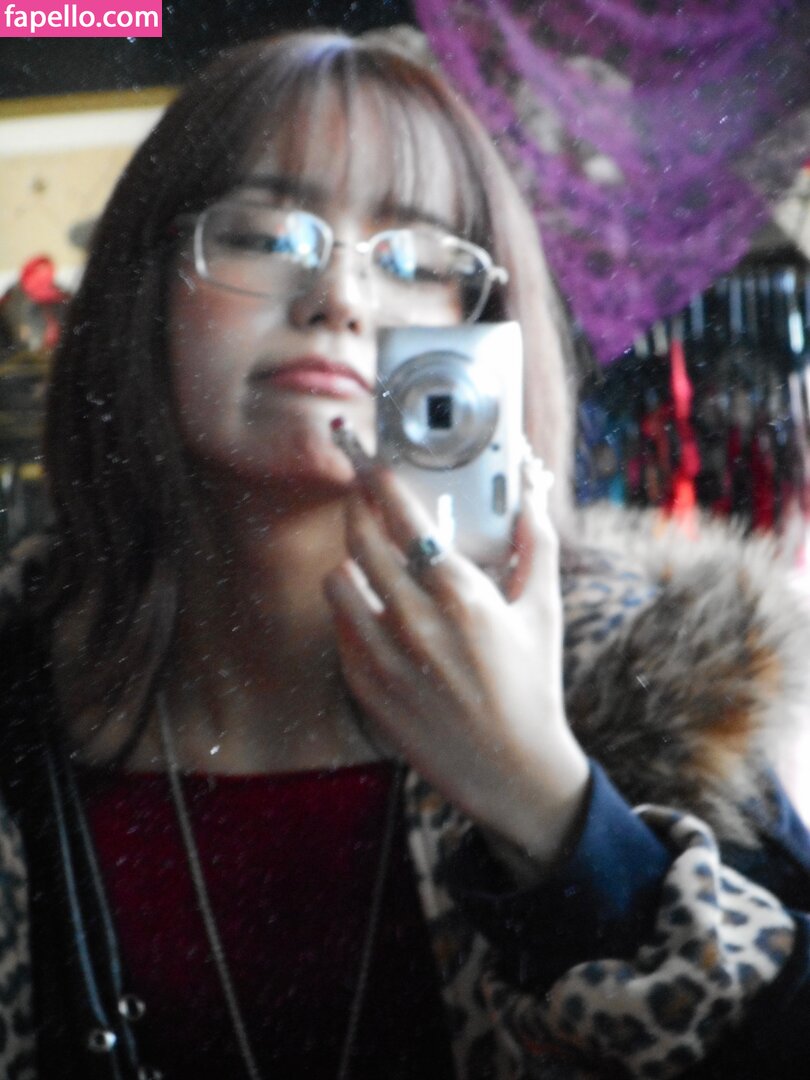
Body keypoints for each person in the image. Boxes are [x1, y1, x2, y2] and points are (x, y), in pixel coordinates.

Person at [1, 26, 810, 1080]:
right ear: (143, 291)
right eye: (266, 237)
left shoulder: (655, 689)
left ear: (489, 326)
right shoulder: (24, 702)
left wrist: (548, 803)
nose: (339, 298)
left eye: (419, 261)